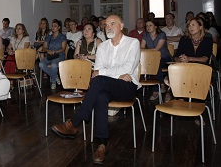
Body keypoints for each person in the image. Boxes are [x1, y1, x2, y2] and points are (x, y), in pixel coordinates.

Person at [51, 15, 140, 164]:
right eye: (106, 25)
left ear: (121, 25)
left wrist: (105, 72)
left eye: (113, 24)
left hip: (127, 87)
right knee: (100, 97)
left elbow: (127, 68)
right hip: (107, 85)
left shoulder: (133, 42)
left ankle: (74, 122)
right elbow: (97, 69)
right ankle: (102, 144)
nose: (109, 27)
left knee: (98, 81)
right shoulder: (103, 46)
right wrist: (116, 74)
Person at [141, 20, 172, 101]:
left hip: (165, 57)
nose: (148, 27)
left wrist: (146, 52)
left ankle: (155, 91)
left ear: (155, 26)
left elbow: (157, 49)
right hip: (152, 58)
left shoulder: (162, 34)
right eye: (147, 25)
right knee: (151, 63)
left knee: (155, 64)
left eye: (150, 25)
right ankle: (161, 83)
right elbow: (142, 47)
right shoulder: (146, 35)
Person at [39, 19, 67, 89]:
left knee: (54, 65)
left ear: (59, 27)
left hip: (59, 55)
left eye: (55, 26)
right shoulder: (49, 36)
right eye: (52, 26)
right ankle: (54, 75)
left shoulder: (62, 36)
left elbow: (63, 48)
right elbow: (44, 47)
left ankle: (53, 81)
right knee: (41, 64)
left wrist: (54, 52)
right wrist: (48, 50)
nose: (53, 27)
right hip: (50, 55)